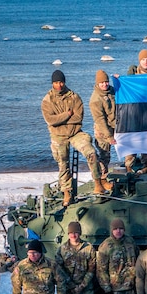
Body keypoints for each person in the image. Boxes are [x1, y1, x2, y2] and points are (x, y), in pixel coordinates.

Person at [40, 69, 105, 206]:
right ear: (53, 83)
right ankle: (66, 192)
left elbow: (78, 117)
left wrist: (63, 119)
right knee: (63, 163)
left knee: (91, 152)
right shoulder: (47, 100)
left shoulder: (74, 97)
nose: (59, 85)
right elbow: (50, 120)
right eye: (57, 82)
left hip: (75, 132)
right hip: (58, 136)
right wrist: (67, 114)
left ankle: (98, 182)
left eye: (61, 82)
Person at [55, 221, 99, 294]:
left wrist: (81, 286)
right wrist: (70, 285)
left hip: (85, 289)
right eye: (71, 233)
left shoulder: (88, 248)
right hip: (69, 290)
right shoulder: (62, 249)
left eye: (76, 232)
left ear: (79, 233)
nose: (73, 235)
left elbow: (92, 269)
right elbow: (59, 270)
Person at [97, 218, 140, 294]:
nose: (118, 231)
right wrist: (107, 289)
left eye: (121, 228)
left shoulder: (130, 242)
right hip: (114, 291)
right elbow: (101, 270)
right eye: (115, 229)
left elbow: (137, 261)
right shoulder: (105, 246)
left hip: (130, 289)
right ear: (112, 230)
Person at [124, 49, 147, 173]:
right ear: (139, 61)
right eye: (143, 60)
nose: (146, 62)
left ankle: (146, 164)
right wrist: (120, 79)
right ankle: (129, 165)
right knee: (133, 137)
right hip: (136, 112)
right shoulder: (134, 73)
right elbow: (126, 86)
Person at [87, 70, 119, 188]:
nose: (105, 84)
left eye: (106, 82)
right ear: (98, 84)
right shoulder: (95, 99)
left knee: (109, 155)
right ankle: (102, 180)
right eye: (102, 83)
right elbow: (100, 120)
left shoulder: (110, 91)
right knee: (104, 155)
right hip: (102, 130)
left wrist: (119, 80)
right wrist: (109, 136)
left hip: (114, 126)